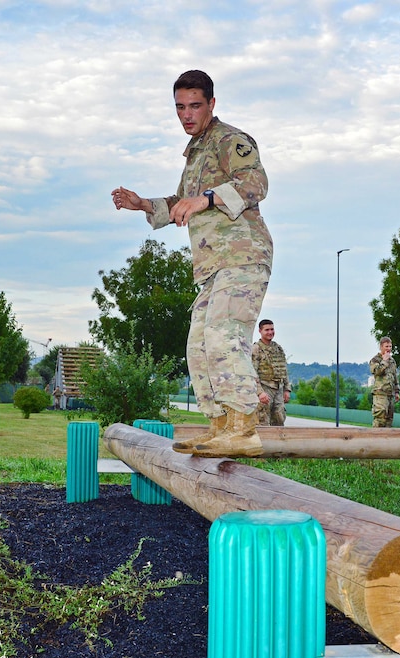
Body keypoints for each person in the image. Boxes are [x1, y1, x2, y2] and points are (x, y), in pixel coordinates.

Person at [112, 70, 272, 457]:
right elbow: (180, 200)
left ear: (211, 104)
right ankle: (219, 426)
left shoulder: (230, 140)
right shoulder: (196, 153)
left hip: (243, 256)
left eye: (195, 106)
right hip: (214, 267)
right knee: (198, 345)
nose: (187, 114)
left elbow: (256, 184)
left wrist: (205, 199)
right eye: (180, 107)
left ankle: (244, 428)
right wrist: (143, 205)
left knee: (222, 336)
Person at [252, 319, 291, 426]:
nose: (270, 332)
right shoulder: (256, 349)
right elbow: (252, 372)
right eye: (267, 330)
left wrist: (287, 389)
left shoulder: (277, 348)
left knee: (279, 418)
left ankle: (277, 443)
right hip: (265, 387)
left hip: (278, 388)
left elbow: (284, 369)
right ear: (260, 331)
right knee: (262, 420)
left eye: (272, 329)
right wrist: (260, 392)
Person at [369, 336, 399, 427]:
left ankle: (387, 439)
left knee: (389, 419)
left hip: (390, 393)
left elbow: (394, 377)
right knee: (380, 418)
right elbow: (377, 371)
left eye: (390, 346)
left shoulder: (392, 361)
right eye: (386, 346)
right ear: (381, 347)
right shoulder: (375, 360)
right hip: (380, 393)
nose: (389, 349)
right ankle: (376, 438)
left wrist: (397, 391)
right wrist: (384, 361)